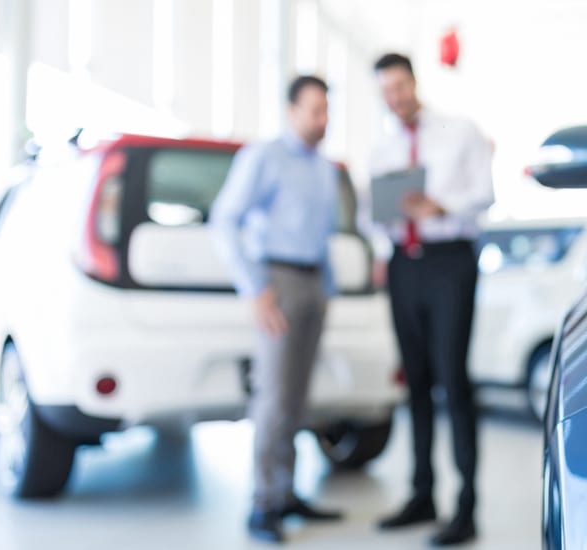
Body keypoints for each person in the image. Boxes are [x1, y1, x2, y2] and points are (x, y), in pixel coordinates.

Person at [210, 75, 343, 544]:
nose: (322, 120)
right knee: (274, 398)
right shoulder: (264, 158)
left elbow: (322, 237)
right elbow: (224, 220)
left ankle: (286, 493)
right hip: (278, 281)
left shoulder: (325, 169)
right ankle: (263, 504)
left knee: (298, 398)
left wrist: (331, 290)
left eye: (327, 111)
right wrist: (256, 290)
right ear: (291, 111)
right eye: (314, 111)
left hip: (312, 283)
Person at [369, 53, 494, 546]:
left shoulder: (460, 130)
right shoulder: (382, 148)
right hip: (404, 262)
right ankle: (422, 493)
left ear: (414, 82)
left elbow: (485, 193)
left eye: (400, 86)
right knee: (415, 380)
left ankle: (467, 506)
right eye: (386, 91)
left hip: (449, 261)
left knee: (452, 379)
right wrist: (383, 230)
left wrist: (440, 205)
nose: (395, 97)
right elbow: (368, 214)